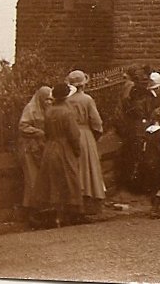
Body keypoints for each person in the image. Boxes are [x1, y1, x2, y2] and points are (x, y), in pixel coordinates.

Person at [30, 83, 82, 227]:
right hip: (65, 147)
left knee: (53, 181)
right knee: (69, 179)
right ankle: (68, 215)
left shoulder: (49, 111)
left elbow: (46, 131)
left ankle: (56, 216)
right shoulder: (68, 112)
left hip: (50, 147)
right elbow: (73, 134)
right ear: (66, 97)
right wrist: (77, 149)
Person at [66, 70, 106, 213]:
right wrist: (96, 133)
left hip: (70, 135)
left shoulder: (66, 100)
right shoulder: (87, 99)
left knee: (75, 167)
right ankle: (89, 202)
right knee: (88, 167)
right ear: (83, 85)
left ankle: (75, 201)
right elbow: (96, 121)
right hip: (85, 134)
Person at [18, 86, 52, 220]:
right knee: (32, 179)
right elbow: (23, 126)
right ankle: (32, 212)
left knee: (41, 179)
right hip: (29, 148)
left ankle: (41, 210)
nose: (48, 102)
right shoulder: (30, 108)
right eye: (46, 99)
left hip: (40, 148)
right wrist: (37, 132)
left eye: (50, 99)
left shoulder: (47, 109)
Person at [141, 110, 160, 218]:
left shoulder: (147, 132)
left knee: (152, 184)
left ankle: (153, 206)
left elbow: (144, 148)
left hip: (148, 161)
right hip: (159, 162)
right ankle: (155, 209)